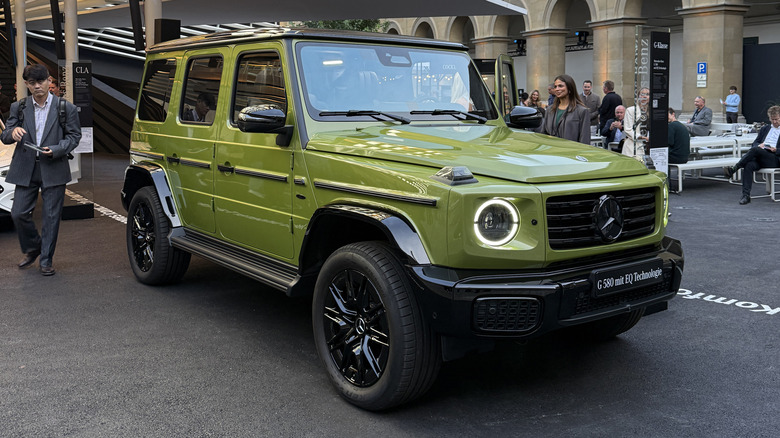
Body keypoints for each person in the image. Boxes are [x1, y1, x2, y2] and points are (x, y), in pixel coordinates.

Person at [0, 64, 82, 276]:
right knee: (18, 213)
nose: (37, 86)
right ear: (26, 85)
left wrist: (55, 149)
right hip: (25, 167)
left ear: (49, 81)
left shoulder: (66, 108)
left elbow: (74, 137)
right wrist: (13, 132)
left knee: (51, 217)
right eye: (32, 83)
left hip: (53, 166)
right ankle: (33, 247)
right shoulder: (19, 107)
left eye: (41, 82)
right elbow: (5, 134)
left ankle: (46, 260)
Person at [724, 105, 780, 205]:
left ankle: (735, 168)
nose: (775, 122)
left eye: (777, 119)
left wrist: (776, 149)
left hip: (774, 158)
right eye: (772, 119)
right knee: (749, 164)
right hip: (761, 155)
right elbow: (755, 142)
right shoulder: (765, 128)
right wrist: (760, 145)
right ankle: (745, 195)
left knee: (755, 150)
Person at [536, 74, 590, 144]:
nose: (557, 89)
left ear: (570, 88)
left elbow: (584, 140)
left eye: (560, 86)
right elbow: (544, 135)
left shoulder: (582, 111)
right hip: (551, 152)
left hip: (571, 152)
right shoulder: (550, 110)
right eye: (555, 87)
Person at [622, 87, 650, 159]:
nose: (644, 96)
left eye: (647, 94)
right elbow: (628, 130)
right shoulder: (631, 110)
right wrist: (642, 137)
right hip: (633, 146)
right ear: (638, 97)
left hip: (649, 147)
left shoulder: (652, 113)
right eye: (642, 94)